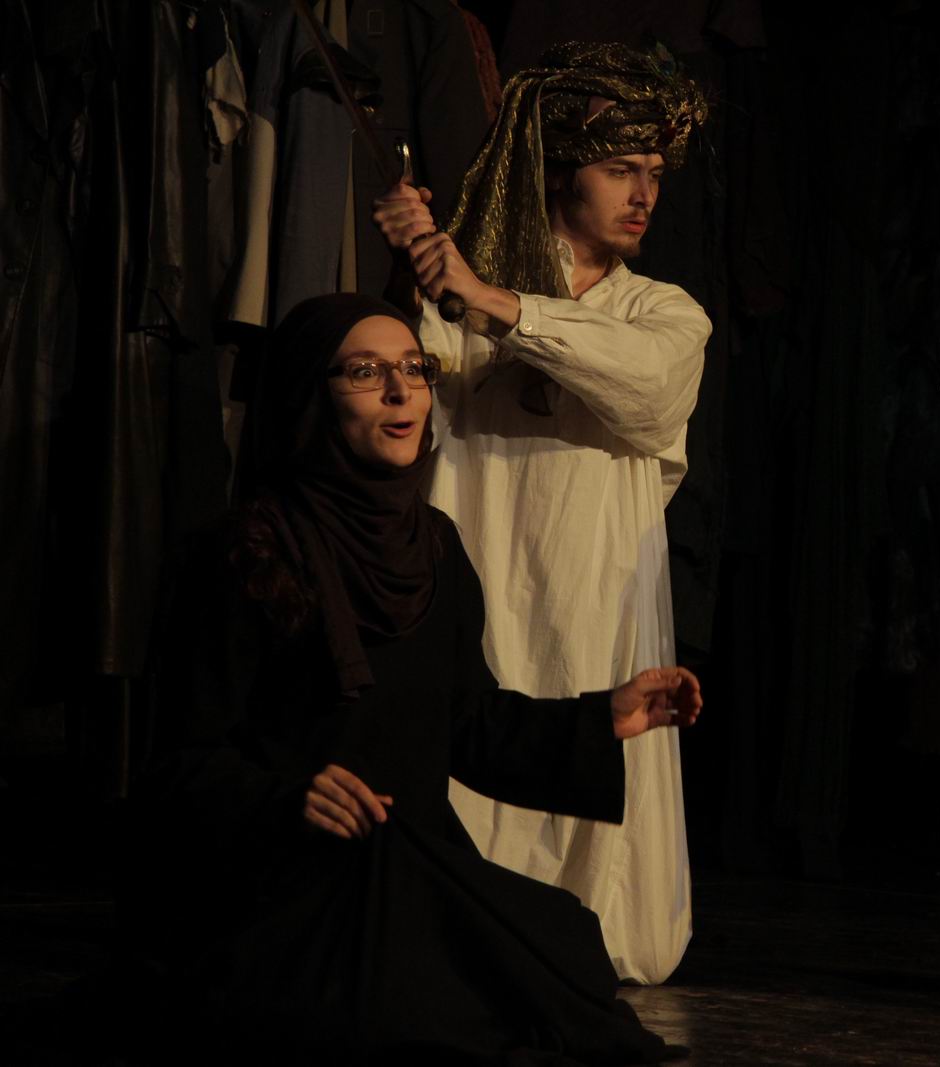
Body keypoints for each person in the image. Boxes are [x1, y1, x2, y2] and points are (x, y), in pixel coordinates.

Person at [126, 293, 700, 1064]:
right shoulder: (244, 552)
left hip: (408, 863)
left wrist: (603, 717)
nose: (401, 392)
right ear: (311, 393)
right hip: (283, 877)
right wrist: (288, 797)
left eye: (414, 368)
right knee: (401, 1005)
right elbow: (175, 767)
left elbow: (466, 723)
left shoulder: (434, 546)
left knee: (563, 949)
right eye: (366, 372)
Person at [369, 41, 710, 984]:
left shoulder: (666, 312)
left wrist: (490, 299)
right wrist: (415, 266)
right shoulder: (465, 288)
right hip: (486, 565)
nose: (643, 194)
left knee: (615, 901)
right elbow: (417, 394)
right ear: (561, 173)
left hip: (599, 585)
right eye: (620, 169)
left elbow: (646, 388)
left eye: (654, 173)